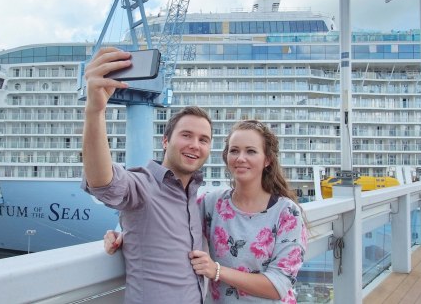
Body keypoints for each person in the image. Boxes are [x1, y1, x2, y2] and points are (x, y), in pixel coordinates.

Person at [106, 120, 307, 303]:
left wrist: (217, 271)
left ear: (267, 160)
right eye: (234, 151)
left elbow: (278, 285)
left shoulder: (287, 213)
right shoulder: (212, 203)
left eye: (251, 151)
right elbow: (174, 223)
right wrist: (127, 235)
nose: (241, 158)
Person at [81, 47, 213, 304]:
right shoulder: (141, 185)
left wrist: (126, 236)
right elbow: (103, 182)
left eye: (203, 139)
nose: (195, 145)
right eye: (186, 135)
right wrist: (95, 111)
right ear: (165, 141)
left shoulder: (196, 198)